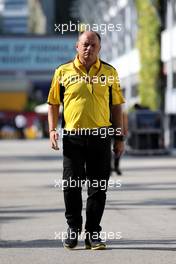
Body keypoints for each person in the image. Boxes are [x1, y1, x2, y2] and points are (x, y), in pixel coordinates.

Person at [47, 31, 125, 250]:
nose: (88, 48)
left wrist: (119, 136)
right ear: (76, 47)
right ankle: (73, 229)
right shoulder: (62, 72)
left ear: (99, 48)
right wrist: (53, 130)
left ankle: (93, 234)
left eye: (93, 45)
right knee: (71, 185)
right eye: (84, 44)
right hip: (73, 137)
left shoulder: (110, 72)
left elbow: (117, 106)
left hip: (101, 137)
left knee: (98, 187)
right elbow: (53, 103)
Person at [114, 110, 128, 175]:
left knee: (118, 149)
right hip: (107, 126)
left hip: (115, 126)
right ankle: (114, 166)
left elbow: (124, 115)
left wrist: (124, 129)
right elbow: (124, 116)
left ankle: (116, 166)